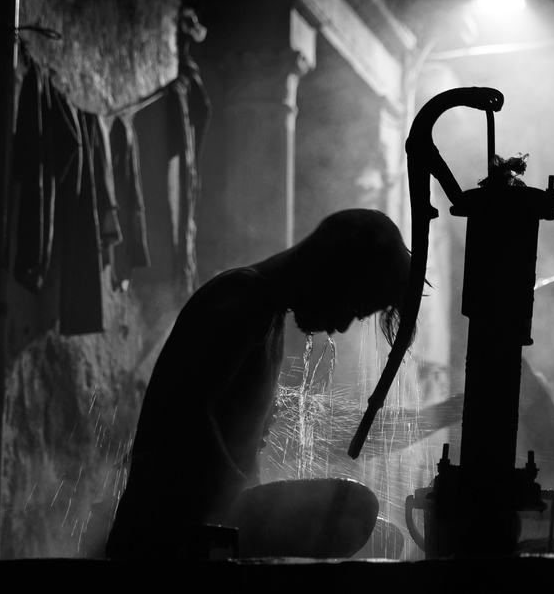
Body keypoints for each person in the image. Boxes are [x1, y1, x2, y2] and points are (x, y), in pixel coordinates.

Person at [106, 208, 412, 560]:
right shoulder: (243, 298)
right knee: (355, 508)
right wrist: (243, 508)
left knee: (384, 535)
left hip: (197, 528)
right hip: (166, 540)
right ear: (331, 271)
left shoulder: (264, 313)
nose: (342, 326)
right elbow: (187, 415)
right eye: (351, 308)